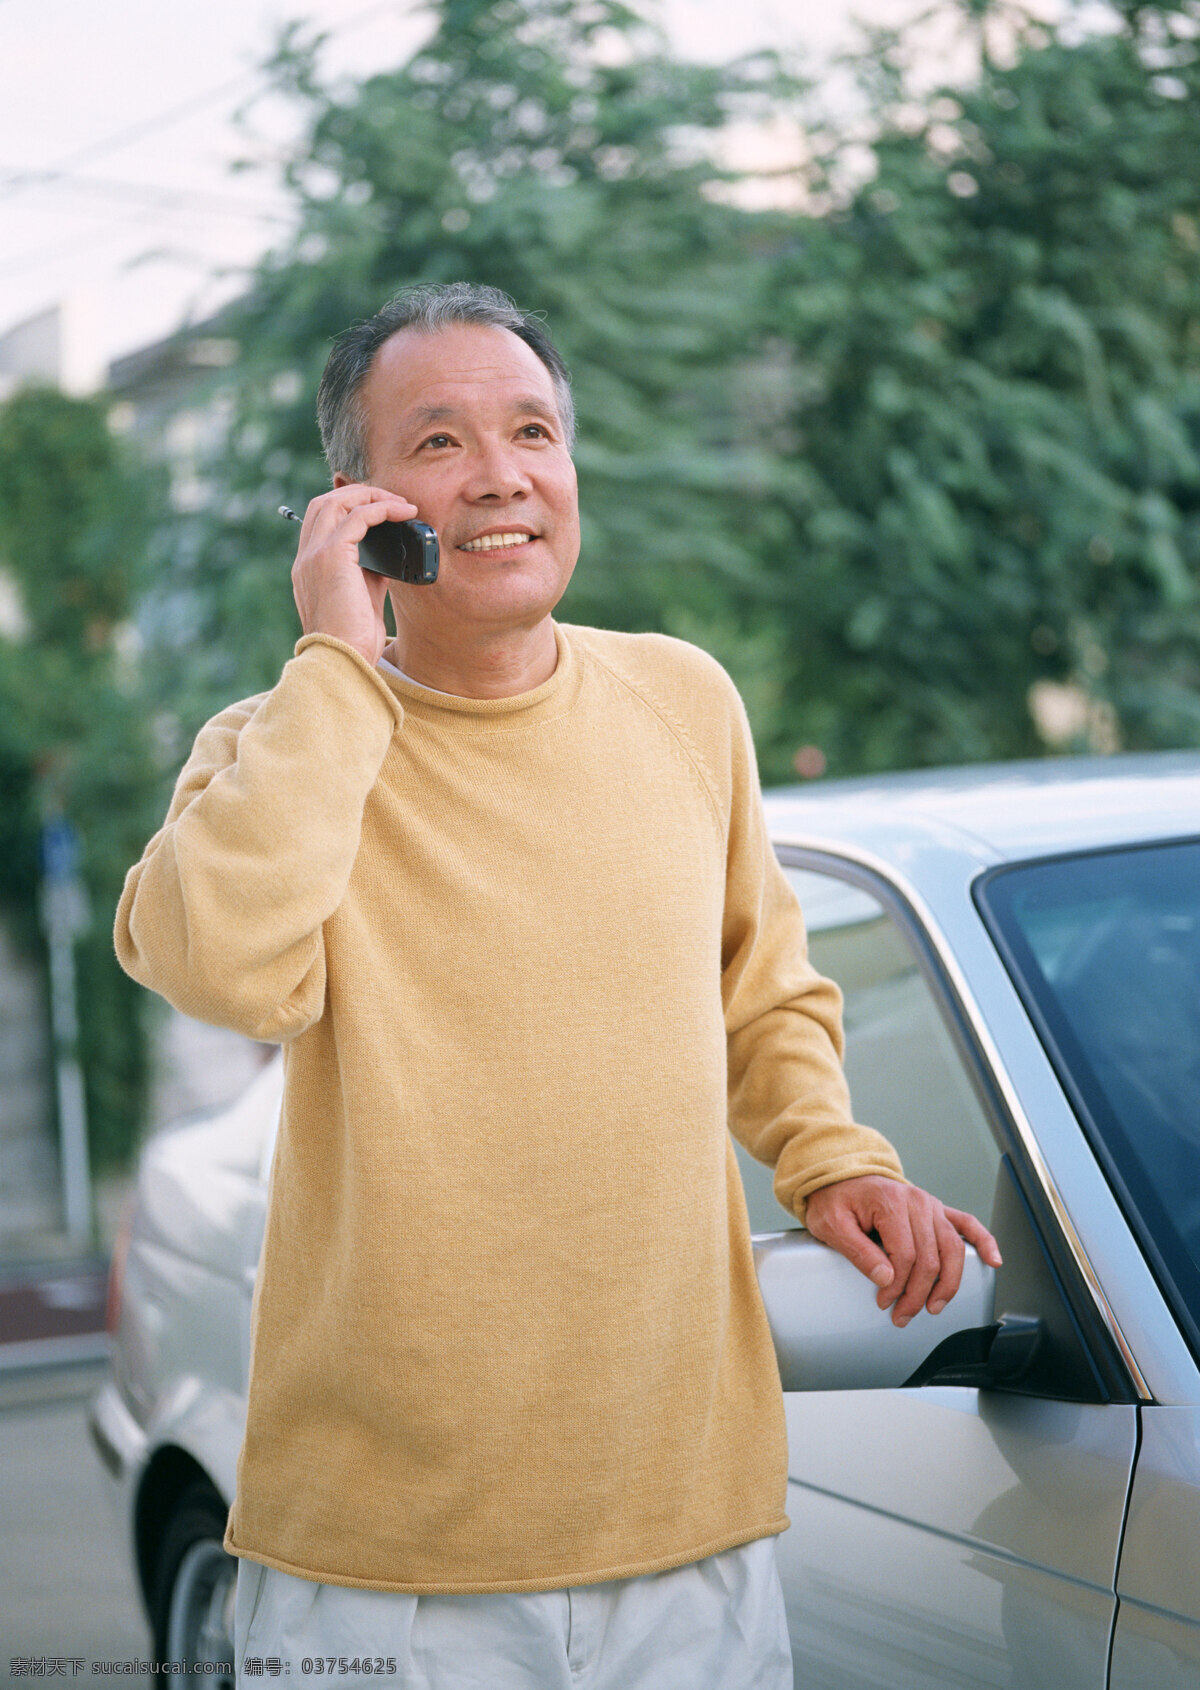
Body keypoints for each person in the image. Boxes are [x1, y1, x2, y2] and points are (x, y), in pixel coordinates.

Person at [115, 282, 1001, 1689]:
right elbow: (219, 963)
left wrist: (831, 1164)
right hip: (382, 1575)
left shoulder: (685, 702)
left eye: (531, 430)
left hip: (689, 1537)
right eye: (441, 441)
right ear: (355, 503)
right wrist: (339, 660)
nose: (501, 475)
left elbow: (761, 987)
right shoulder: (278, 743)